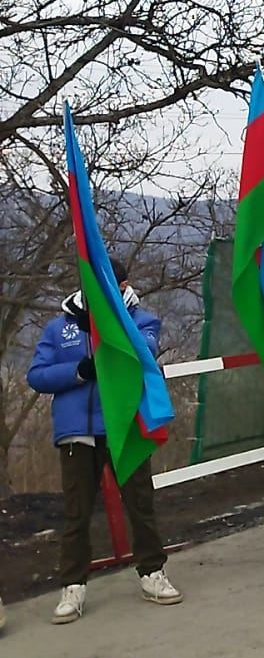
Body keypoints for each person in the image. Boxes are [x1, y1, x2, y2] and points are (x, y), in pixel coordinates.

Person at [27, 258, 182, 624]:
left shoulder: (142, 320)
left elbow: (143, 352)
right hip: (76, 432)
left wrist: (104, 332)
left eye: (123, 283)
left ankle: (152, 573)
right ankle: (73, 585)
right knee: (76, 511)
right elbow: (37, 375)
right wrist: (78, 371)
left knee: (140, 503)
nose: (122, 289)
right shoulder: (58, 327)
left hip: (123, 425)